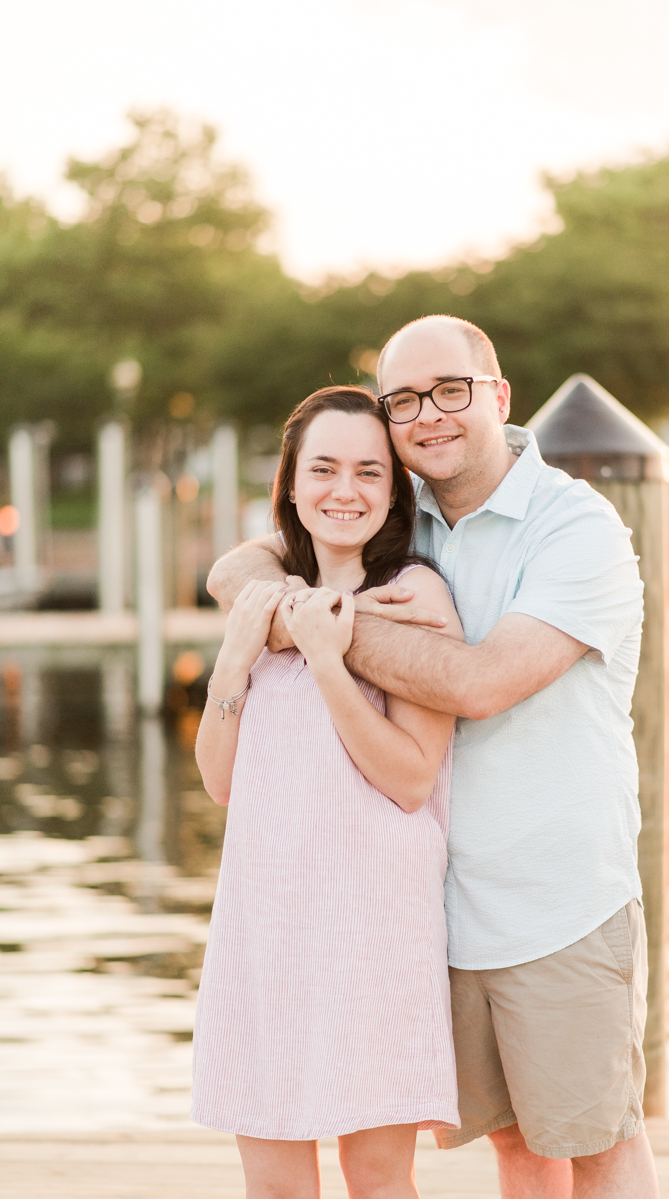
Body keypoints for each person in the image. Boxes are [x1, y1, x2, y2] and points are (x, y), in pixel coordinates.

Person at [209, 316, 660, 1199]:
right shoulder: (404, 522)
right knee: (517, 1149)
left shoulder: (575, 528)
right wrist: (285, 604)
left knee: (596, 1142)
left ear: (498, 395)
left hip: (556, 904)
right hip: (434, 912)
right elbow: (241, 567)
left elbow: (483, 681)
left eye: (450, 389)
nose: (428, 415)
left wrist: (322, 628)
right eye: (404, 399)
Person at [192, 386, 464, 1199]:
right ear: (292, 483)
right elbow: (219, 780)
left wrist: (325, 658)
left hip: (374, 923)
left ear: (391, 491)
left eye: (367, 472)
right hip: (265, 917)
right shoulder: (260, 596)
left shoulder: (416, 597)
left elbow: (413, 779)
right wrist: (232, 663)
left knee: (377, 1177)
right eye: (324, 468)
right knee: (275, 1180)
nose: (343, 490)